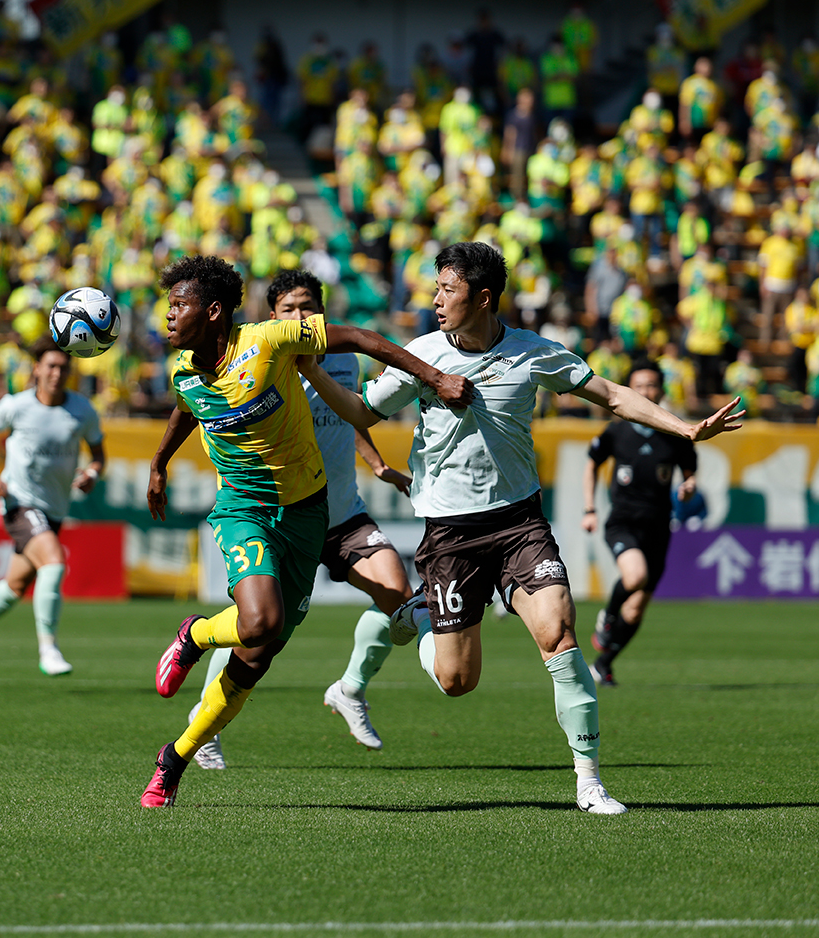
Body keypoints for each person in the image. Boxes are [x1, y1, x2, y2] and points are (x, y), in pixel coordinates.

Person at [296, 241, 743, 815]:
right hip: (451, 535)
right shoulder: (421, 355)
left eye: (447, 290)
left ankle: (589, 782)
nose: (435, 300)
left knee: (559, 632)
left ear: (482, 298)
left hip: (518, 524)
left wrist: (684, 429)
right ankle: (414, 616)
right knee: (458, 681)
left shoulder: (533, 354)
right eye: (435, 288)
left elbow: (609, 394)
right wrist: (310, 368)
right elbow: (362, 412)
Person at [139, 254, 471, 808]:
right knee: (260, 621)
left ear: (214, 311)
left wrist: (433, 376)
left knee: (257, 657)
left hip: (308, 510)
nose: (168, 316)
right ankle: (195, 635)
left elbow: (363, 337)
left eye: (179, 305)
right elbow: (185, 409)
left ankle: (175, 756)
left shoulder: (269, 341)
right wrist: (158, 463)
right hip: (243, 507)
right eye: (168, 305)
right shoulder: (182, 369)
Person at [187, 269, 415, 771]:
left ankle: (350, 688)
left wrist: (376, 464)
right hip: (285, 514)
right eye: (289, 308)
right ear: (272, 317)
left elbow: (345, 416)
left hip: (344, 513)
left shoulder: (345, 360)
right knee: (258, 631)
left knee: (399, 597)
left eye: (308, 305)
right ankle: (203, 727)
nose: (300, 315)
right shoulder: (266, 360)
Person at [0, 338, 106, 677]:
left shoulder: (82, 411)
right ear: (36, 368)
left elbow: (98, 454)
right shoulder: (17, 406)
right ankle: (48, 648)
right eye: (50, 366)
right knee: (54, 561)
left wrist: (92, 473)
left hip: (55, 509)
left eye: (63, 367)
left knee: (16, 586)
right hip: (19, 503)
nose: (56, 373)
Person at [582, 362, 697, 687]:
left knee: (635, 613)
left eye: (651, 386)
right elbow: (591, 465)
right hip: (623, 522)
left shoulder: (673, 430)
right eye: (639, 386)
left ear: (661, 390)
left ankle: (603, 665)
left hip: (659, 527)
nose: (646, 392)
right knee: (635, 576)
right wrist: (589, 508)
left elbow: (690, 474)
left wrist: (689, 487)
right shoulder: (617, 430)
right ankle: (607, 616)